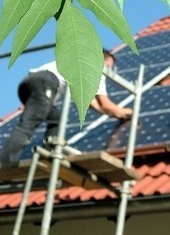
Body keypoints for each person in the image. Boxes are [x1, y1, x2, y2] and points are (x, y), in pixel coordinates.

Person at [0, 49, 132, 168]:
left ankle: (48, 153)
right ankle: (5, 163)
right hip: (45, 82)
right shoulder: (94, 67)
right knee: (28, 125)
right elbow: (105, 104)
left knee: (56, 120)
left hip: (30, 84)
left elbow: (92, 104)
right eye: (108, 65)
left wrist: (116, 114)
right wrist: (128, 112)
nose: (109, 68)